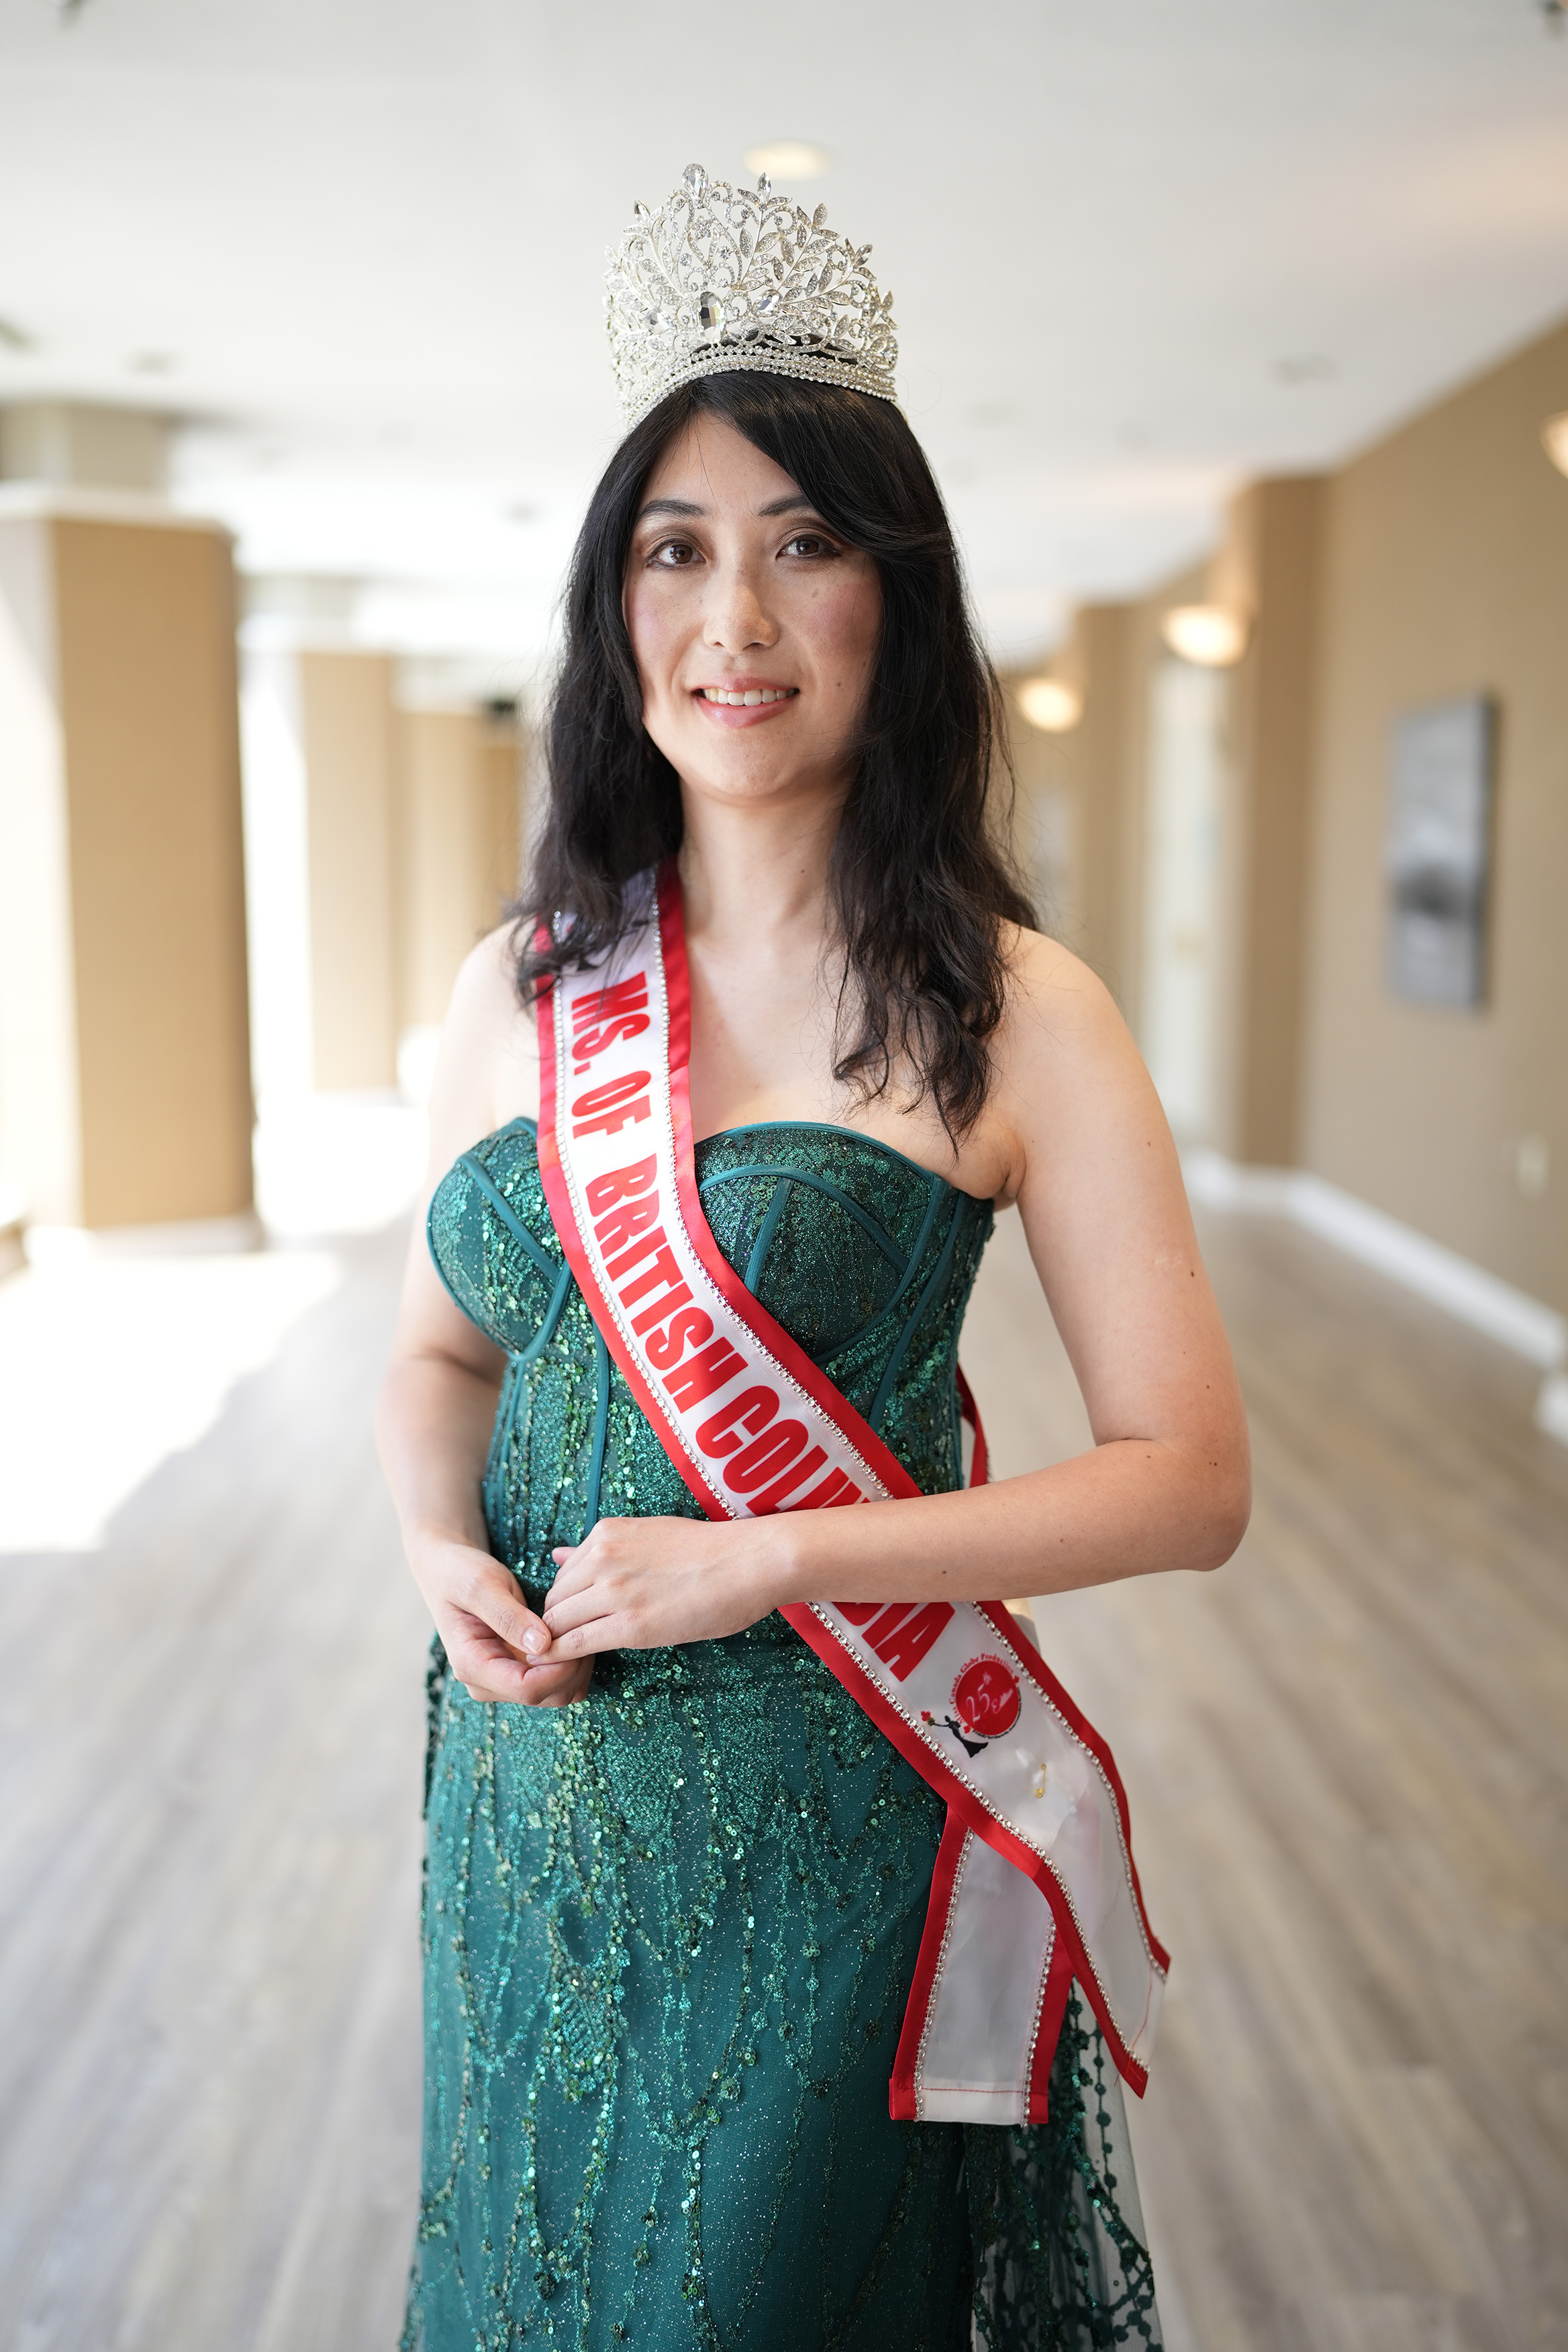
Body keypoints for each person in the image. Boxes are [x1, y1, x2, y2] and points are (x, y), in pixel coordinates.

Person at [377, 163, 1250, 2352]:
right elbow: (437, 1352)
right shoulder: (521, 985)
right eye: (676, 550)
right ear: (612, 608)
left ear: (899, 601)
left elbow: (1187, 1478)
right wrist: (426, 1545)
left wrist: (762, 1563)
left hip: (829, 1820)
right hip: (519, 1812)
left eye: (805, 545)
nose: (734, 619)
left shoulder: (1019, 1014)